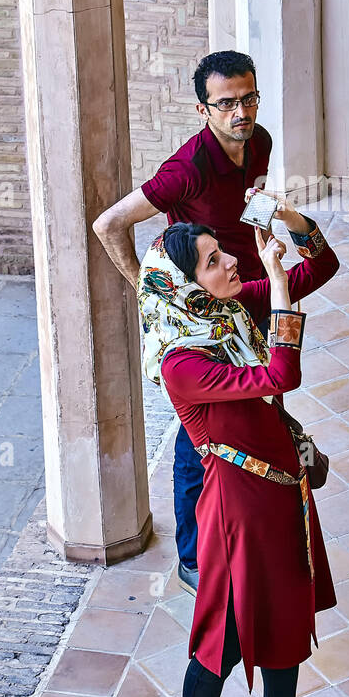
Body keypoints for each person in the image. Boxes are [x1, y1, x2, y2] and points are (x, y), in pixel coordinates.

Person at [135, 203, 339, 697]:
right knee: (219, 644)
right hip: (232, 508)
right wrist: (274, 285)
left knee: (285, 619)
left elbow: (323, 265)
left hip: (282, 490)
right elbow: (283, 373)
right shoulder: (182, 362)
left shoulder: (224, 309)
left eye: (223, 253)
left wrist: (293, 223)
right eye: (214, 262)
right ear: (182, 285)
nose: (229, 264)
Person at [92, 50, 272, 597]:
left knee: (255, 408)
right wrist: (153, 299)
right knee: (198, 438)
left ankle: (249, 520)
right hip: (200, 321)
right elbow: (110, 224)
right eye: (227, 104)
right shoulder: (186, 170)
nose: (241, 112)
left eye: (248, 99)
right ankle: (193, 556)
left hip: (246, 295)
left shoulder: (257, 140)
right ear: (204, 110)